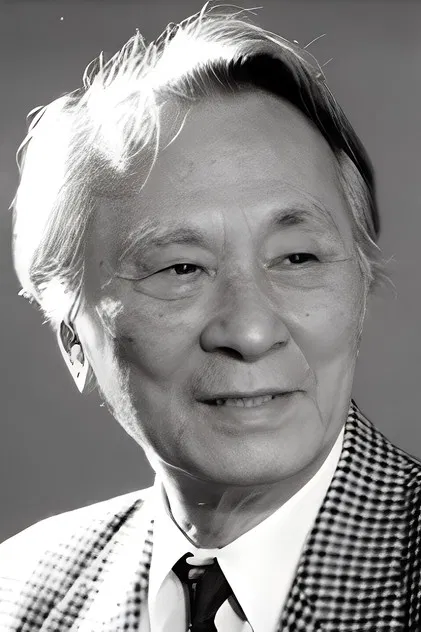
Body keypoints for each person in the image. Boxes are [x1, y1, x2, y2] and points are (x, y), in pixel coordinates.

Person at [1, 3, 420, 631]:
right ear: (73, 340)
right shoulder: (18, 595)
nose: (250, 332)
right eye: (180, 269)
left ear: (360, 285)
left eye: (298, 257)